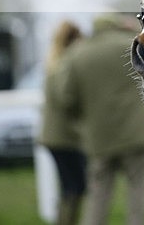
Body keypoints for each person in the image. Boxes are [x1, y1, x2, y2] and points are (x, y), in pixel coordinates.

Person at [54, 14, 144, 225]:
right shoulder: (129, 46)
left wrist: (83, 117)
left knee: (98, 194)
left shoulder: (78, 54)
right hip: (134, 133)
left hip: (99, 137)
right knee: (137, 189)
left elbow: (66, 97)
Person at [38, 20, 87, 225]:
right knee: (74, 187)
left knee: (70, 187)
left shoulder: (54, 61)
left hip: (55, 136)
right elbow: (67, 99)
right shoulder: (66, 64)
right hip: (64, 138)